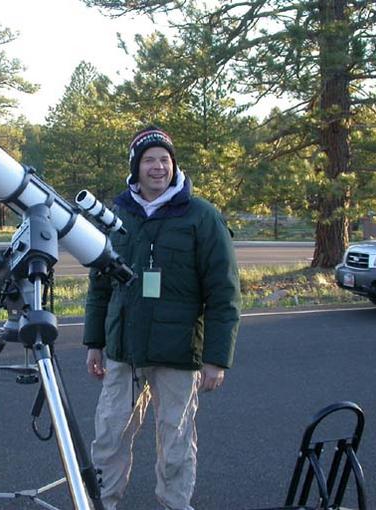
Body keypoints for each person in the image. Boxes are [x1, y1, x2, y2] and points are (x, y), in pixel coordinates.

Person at [83, 126, 241, 510]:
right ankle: (101, 503)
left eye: (164, 160)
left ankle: (174, 504)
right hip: (124, 349)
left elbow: (223, 292)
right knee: (109, 435)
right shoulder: (117, 215)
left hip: (178, 351)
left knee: (176, 439)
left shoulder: (201, 217)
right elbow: (100, 283)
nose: (157, 167)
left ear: (174, 165)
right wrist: (94, 343)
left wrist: (217, 358)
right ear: (135, 168)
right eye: (149, 160)